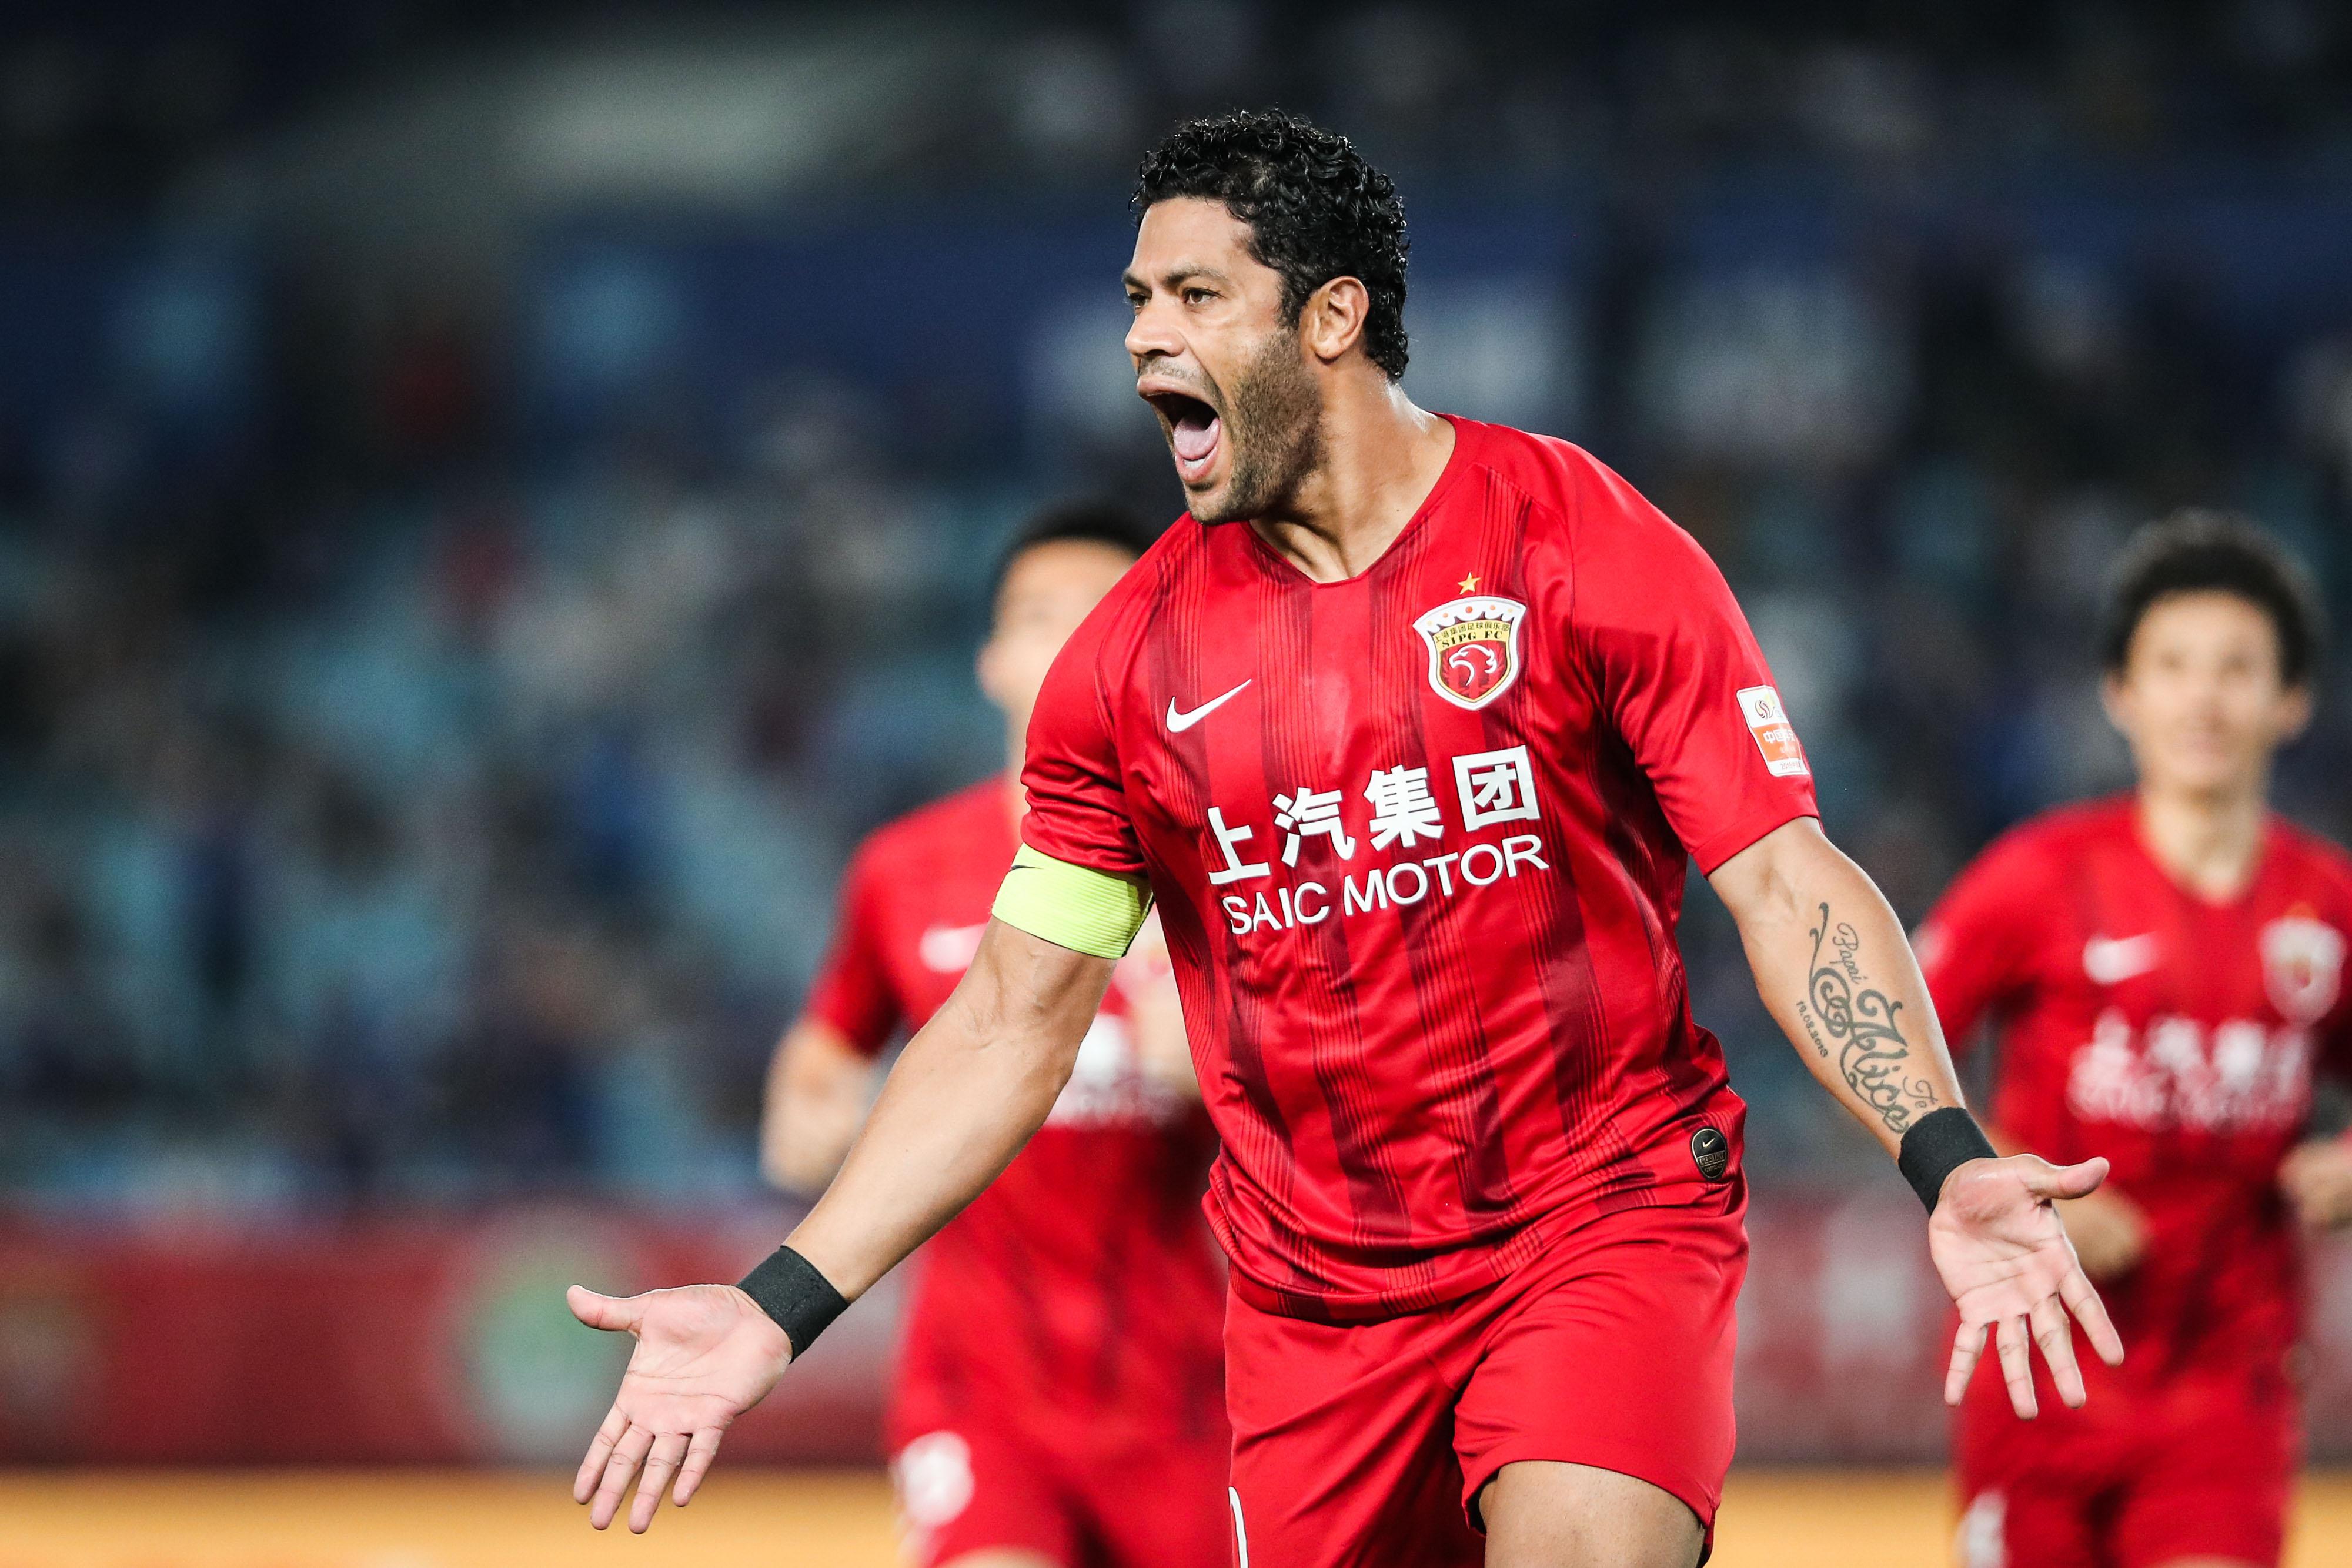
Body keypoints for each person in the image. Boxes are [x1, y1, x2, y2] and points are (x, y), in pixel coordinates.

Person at [564, 109, 2122, 1567]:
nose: (1143, 338)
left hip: (1599, 1214)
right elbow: (1009, 1022)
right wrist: (777, 1304)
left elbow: (1782, 877)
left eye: (1193, 295)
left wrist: (1942, 1150)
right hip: (1314, 1306)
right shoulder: (1119, 673)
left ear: (1330, 317)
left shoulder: (1576, 538)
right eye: (1135, 301)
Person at [757, 503, 1230, 1568]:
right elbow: (824, 1055)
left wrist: (1216, 1063)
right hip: (979, 1398)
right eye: (1037, 615)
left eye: (1100, 613)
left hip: (1190, 1401)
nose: (1067, 637)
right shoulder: (904, 869)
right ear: (990, 659)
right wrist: (810, 1113)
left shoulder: (1222, 865)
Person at [1916, 514, 2352, 1568]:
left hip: (2227, 1384)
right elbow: (1883, 1049)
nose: (2204, 699)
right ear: (2121, 692)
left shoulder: (2329, 908)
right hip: (2036, 1364)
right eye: (2173, 666)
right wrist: (2000, 1175)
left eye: (2237, 669)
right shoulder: (2038, 878)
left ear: (2291, 699)